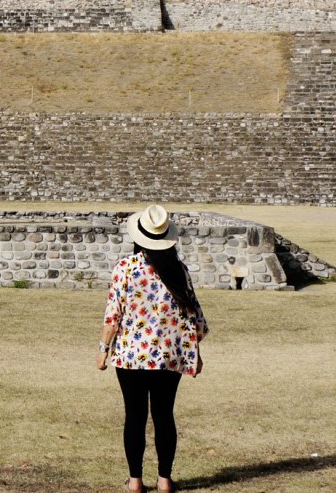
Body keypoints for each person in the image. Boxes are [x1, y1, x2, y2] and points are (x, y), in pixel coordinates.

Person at [98, 204, 209, 493]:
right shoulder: (178, 270)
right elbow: (195, 317)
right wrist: (196, 353)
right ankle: (164, 479)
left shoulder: (126, 268)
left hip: (131, 356)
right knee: (164, 415)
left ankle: (135, 480)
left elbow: (113, 315)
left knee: (134, 416)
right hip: (169, 356)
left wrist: (103, 348)